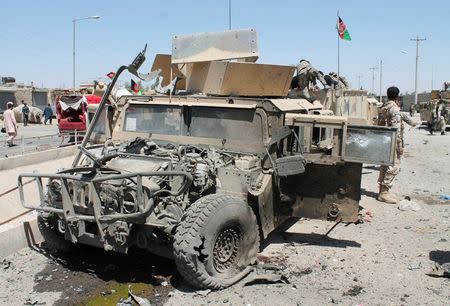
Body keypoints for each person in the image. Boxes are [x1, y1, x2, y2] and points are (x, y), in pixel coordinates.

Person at [377, 86, 417, 204]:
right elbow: (396, 129)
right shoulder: (394, 109)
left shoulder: (384, 107)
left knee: (385, 165)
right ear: (397, 96)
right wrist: (399, 145)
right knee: (394, 166)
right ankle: (384, 192)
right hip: (391, 141)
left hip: (383, 140)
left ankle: (382, 191)